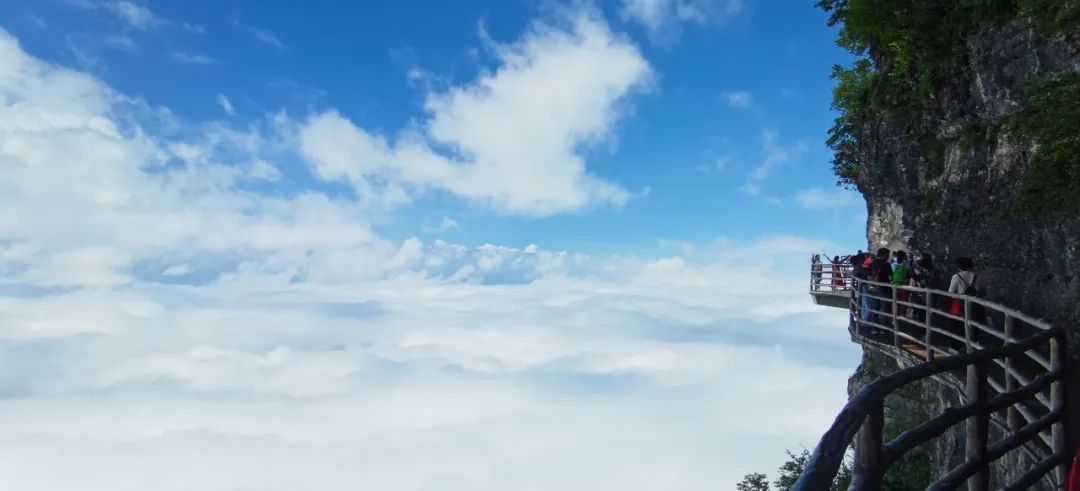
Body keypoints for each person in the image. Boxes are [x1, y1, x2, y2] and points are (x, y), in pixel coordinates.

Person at [869, 248, 893, 327]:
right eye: (888, 255)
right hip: (884, 288)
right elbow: (890, 278)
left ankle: (874, 328)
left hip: (873, 288)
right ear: (885, 255)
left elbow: (869, 275)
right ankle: (883, 327)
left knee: (874, 308)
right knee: (884, 308)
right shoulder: (887, 264)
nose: (889, 256)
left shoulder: (872, 263)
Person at [892, 250, 910, 317]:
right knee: (904, 301)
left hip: (895, 285)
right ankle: (903, 315)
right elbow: (909, 274)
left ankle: (896, 316)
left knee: (896, 301)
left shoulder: (893, 264)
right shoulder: (906, 264)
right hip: (903, 285)